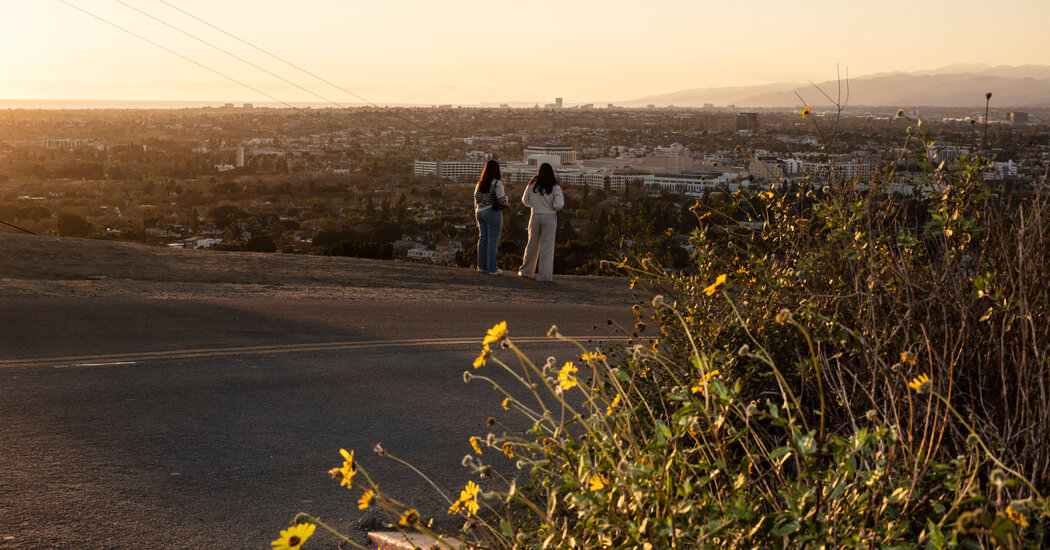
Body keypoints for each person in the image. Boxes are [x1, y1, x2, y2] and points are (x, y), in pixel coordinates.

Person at [518, 162, 564, 282]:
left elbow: (524, 200)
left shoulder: (532, 184)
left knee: (532, 244)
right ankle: (544, 276)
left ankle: (526, 271)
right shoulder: (555, 187)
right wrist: (551, 206)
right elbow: (559, 204)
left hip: (535, 215)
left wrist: (534, 205)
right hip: (549, 216)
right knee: (546, 247)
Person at [474, 159, 509, 275]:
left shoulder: (480, 183)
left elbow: (476, 199)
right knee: (493, 240)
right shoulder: (496, 183)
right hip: (492, 212)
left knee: (483, 239)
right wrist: (507, 200)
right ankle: (492, 268)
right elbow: (502, 201)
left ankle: (482, 266)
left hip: (480, 212)